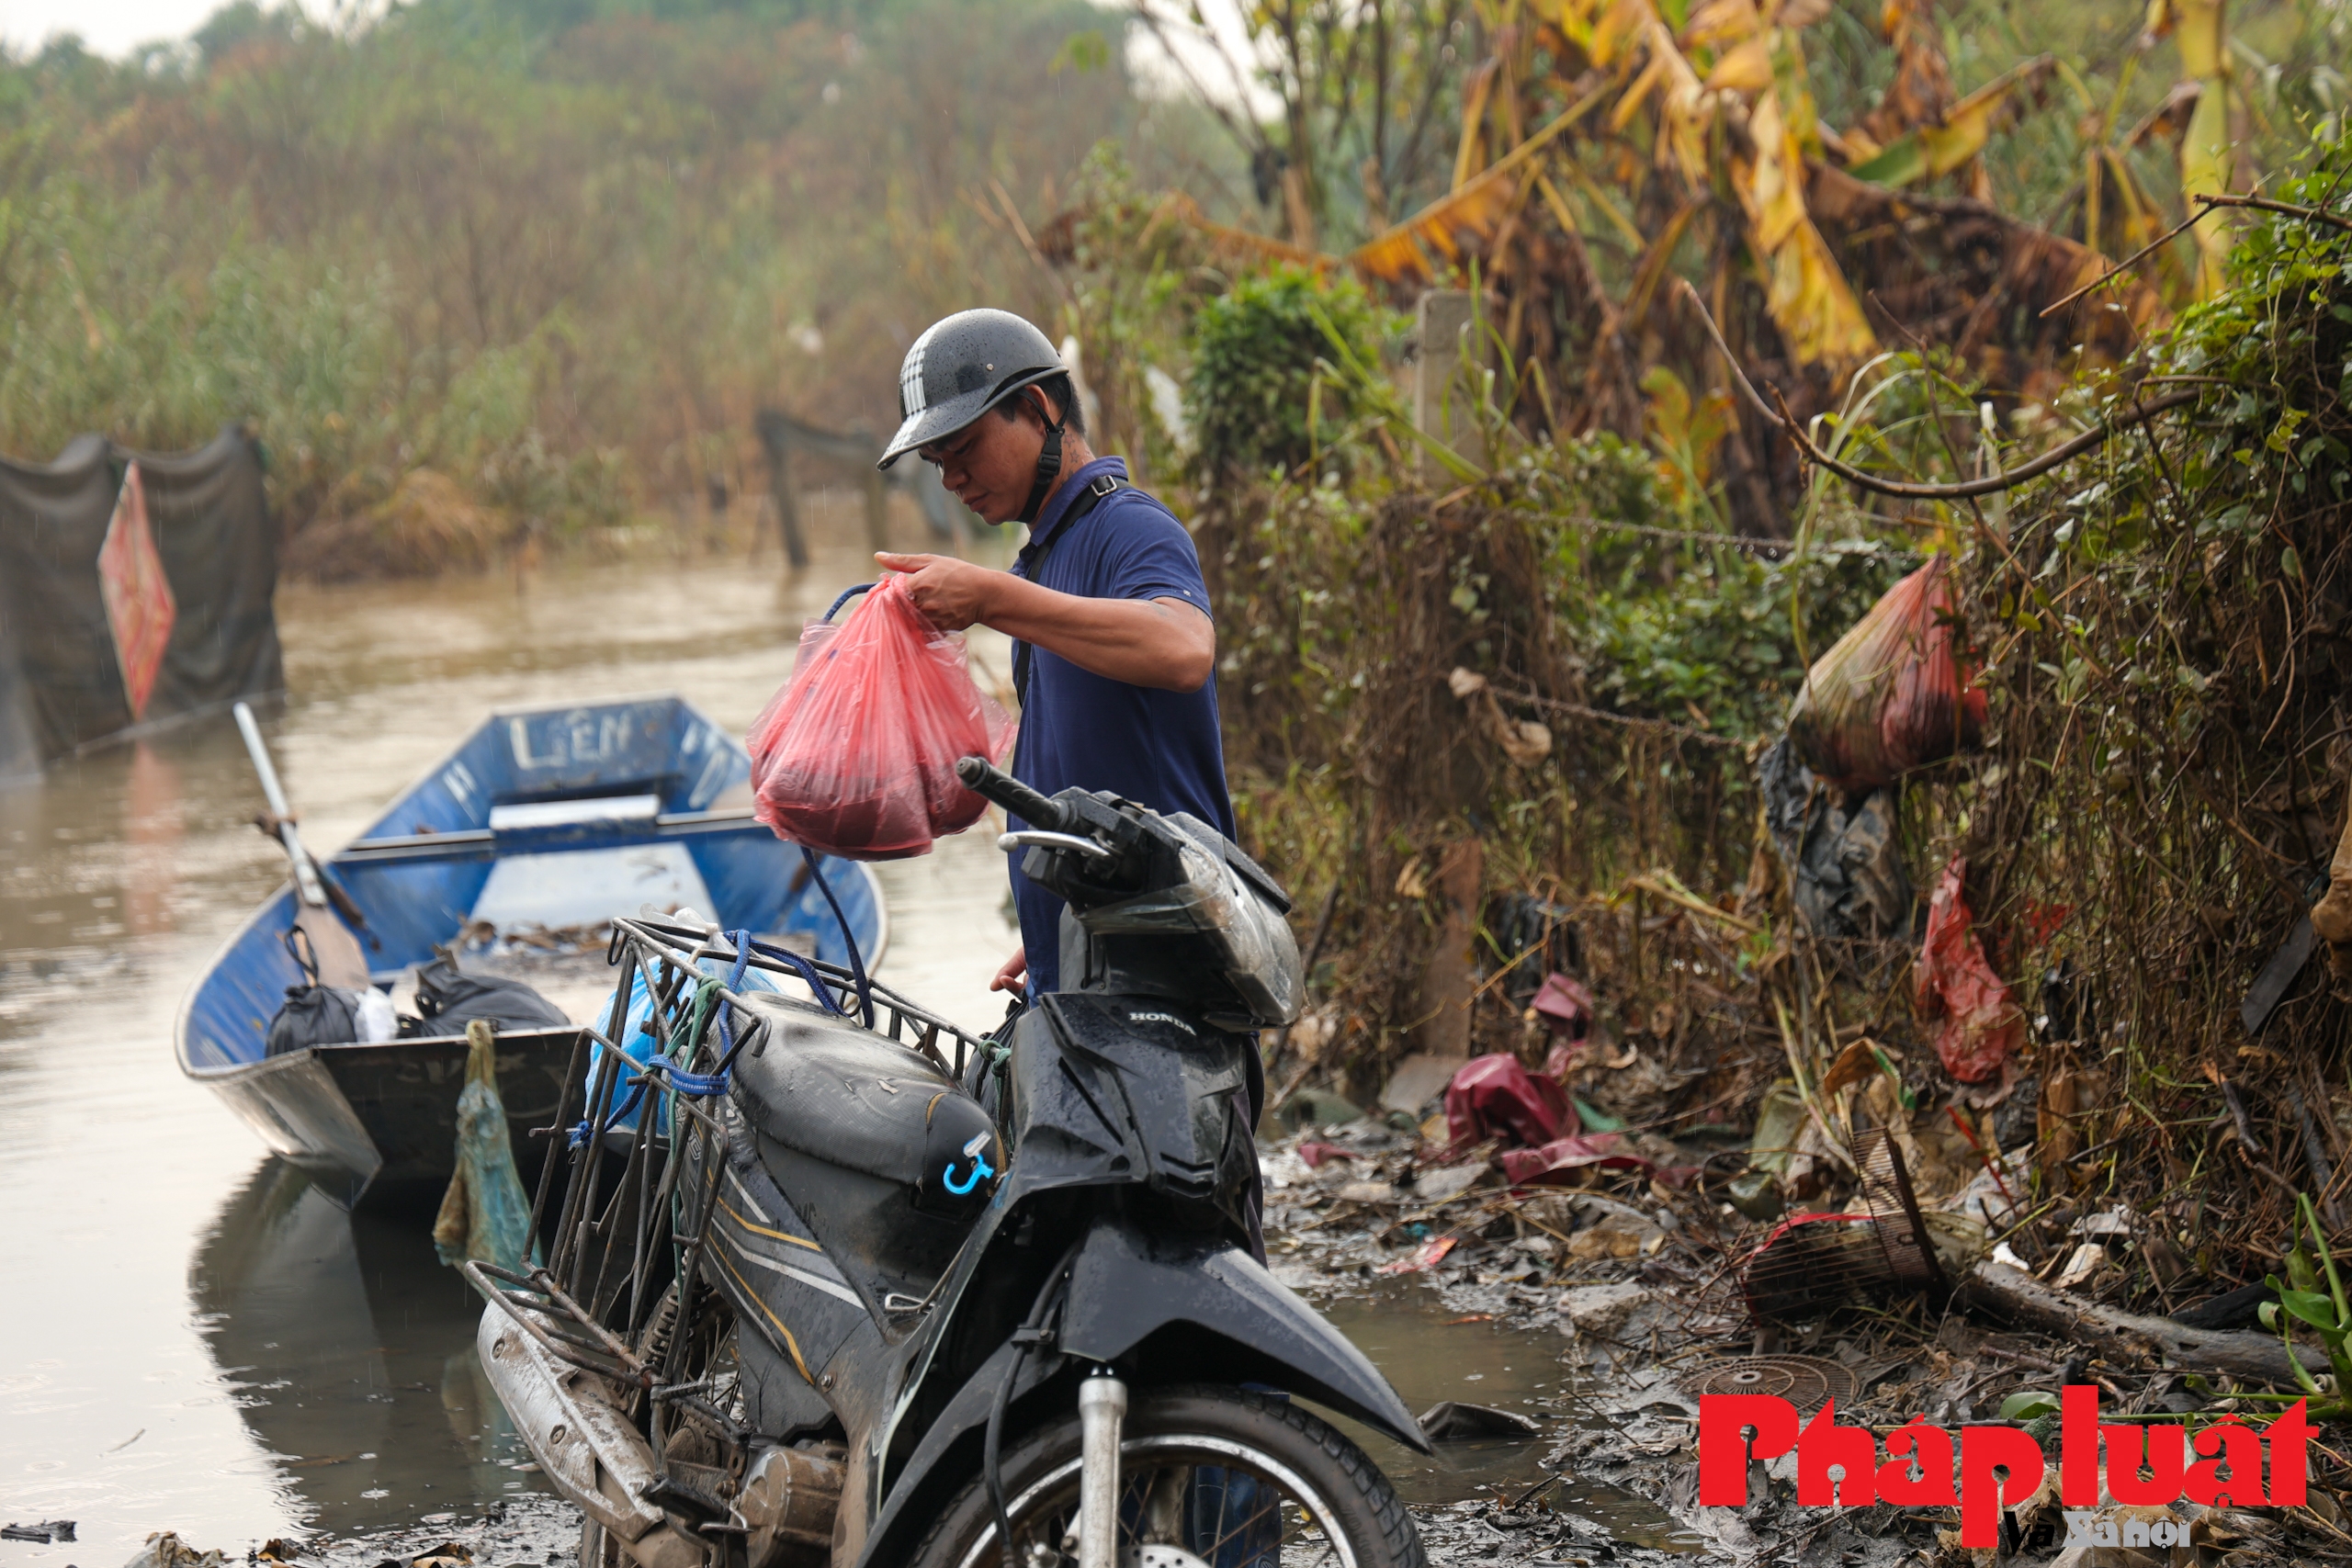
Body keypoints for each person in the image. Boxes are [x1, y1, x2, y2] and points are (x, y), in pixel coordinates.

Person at [873, 308, 1236, 1004]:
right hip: (1097, 958)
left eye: (966, 447)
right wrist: (1061, 915)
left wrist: (992, 599)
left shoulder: (1126, 526)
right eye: (937, 463)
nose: (952, 479)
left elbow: (1184, 647)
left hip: (1168, 982)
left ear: (1037, 408)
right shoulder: (1044, 558)